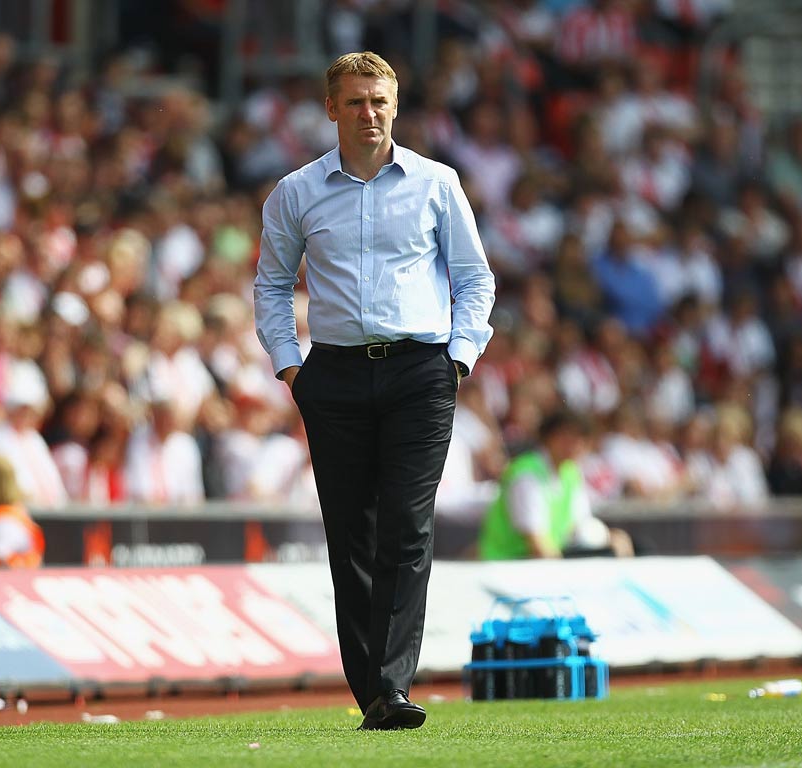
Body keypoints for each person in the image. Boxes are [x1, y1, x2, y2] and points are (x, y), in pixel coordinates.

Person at [254, 51, 496, 730]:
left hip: (422, 370)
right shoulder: (297, 191)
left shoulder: (436, 182)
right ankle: (374, 692)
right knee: (350, 534)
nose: (369, 113)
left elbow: (474, 277)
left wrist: (459, 357)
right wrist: (290, 367)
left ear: (396, 106)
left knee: (408, 528)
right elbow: (272, 284)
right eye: (356, 101)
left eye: (380, 101)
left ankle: (390, 686)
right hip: (331, 371)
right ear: (331, 109)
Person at [479, 410, 633, 560]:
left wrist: (609, 538)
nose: (574, 445)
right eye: (566, 437)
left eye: (580, 438)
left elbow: (579, 526)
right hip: (507, 566)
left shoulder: (571, 473)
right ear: (548, 438)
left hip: (543, 566)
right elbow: (538, 546)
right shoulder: (526, 475)